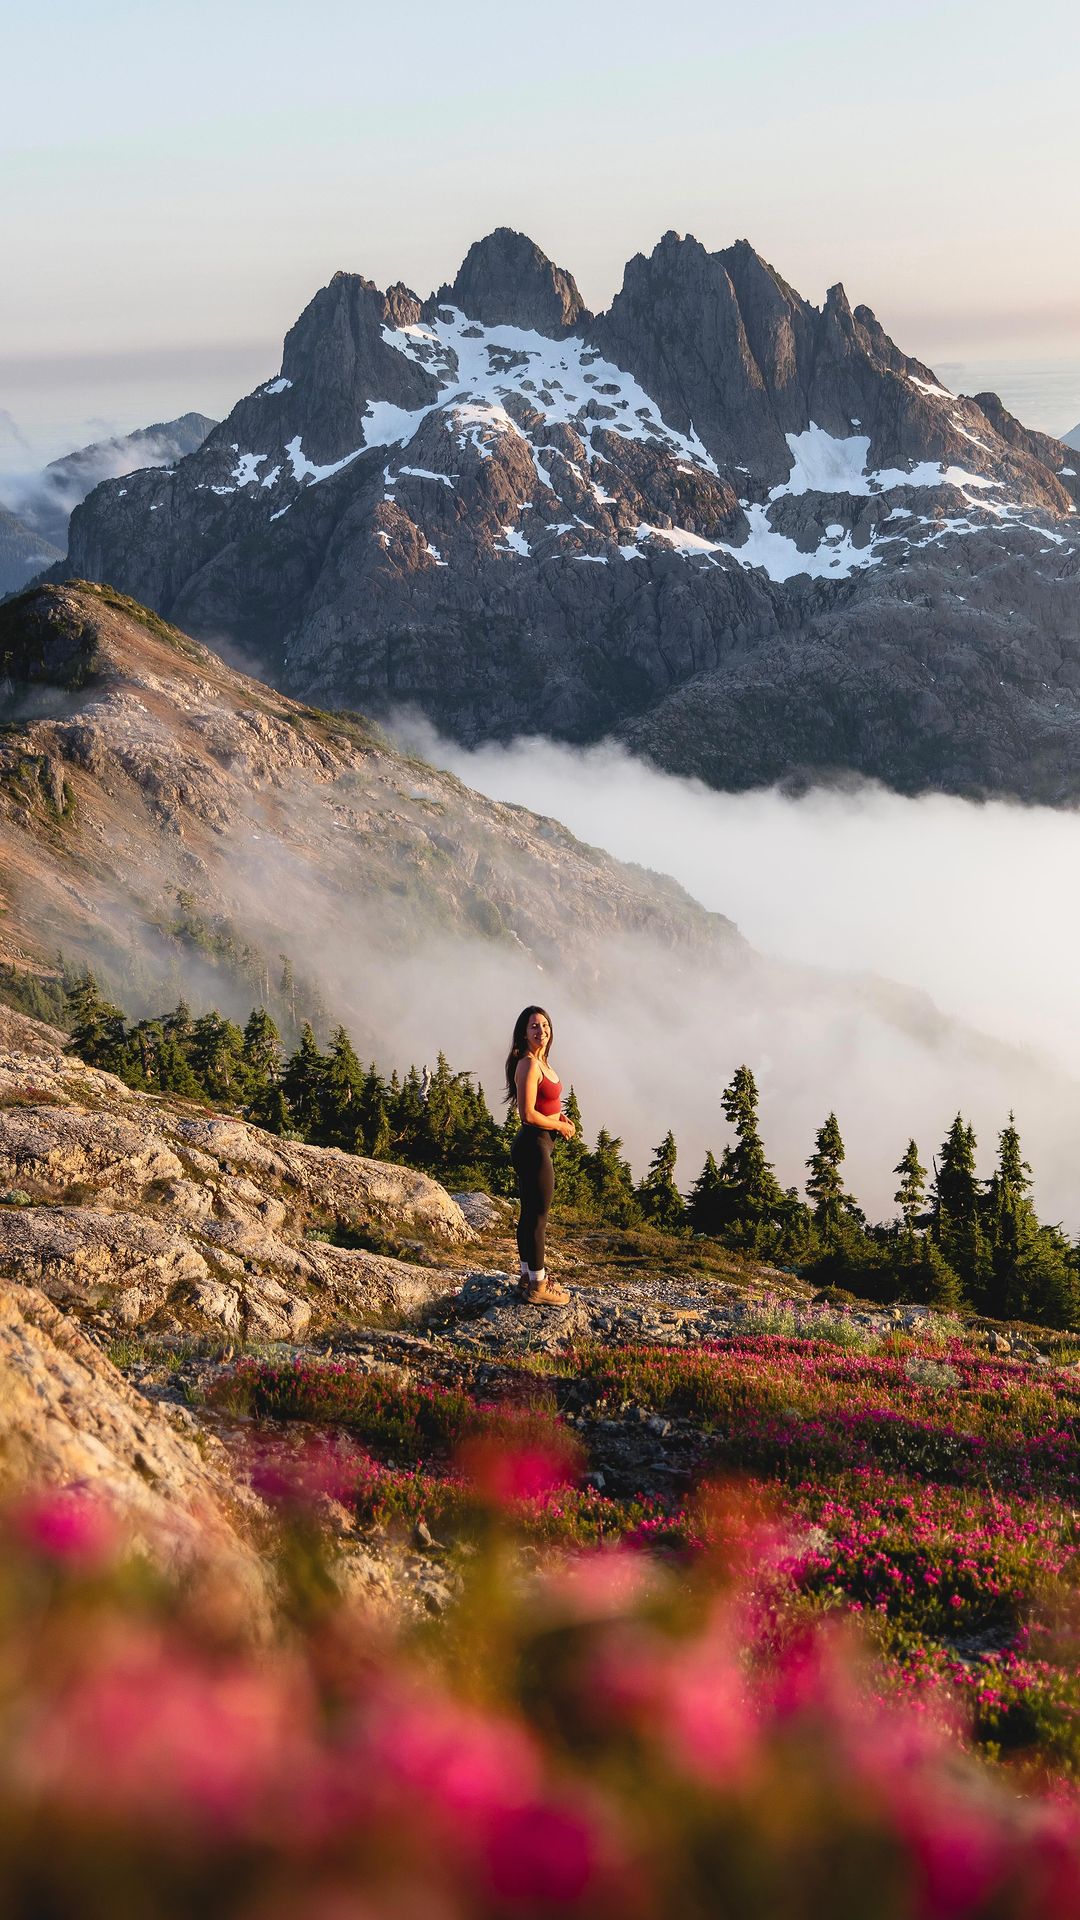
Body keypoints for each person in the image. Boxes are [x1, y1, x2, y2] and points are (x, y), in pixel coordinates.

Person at [505, 1005, 575, 1306]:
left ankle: (526, 1276)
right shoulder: (529, 1064)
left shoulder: (541, 1063)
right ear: (524, 1032)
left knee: (530, 1213)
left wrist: (562, 1117)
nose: (540, 1031)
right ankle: (538, 1284)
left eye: (544, 1025)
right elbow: (528, 1114)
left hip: (538, 1145)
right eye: (534, 1026)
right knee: (538, 1218)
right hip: (533, 1145)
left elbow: (546, 1102)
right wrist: (558, 1124)